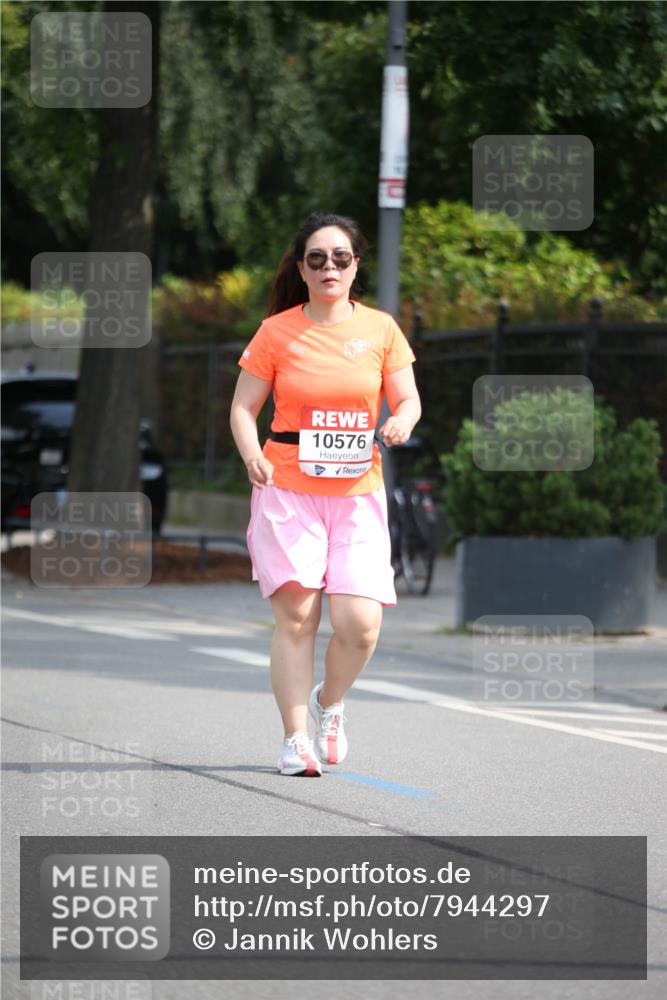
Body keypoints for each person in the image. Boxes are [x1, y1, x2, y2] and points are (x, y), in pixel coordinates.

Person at [230, 212, 421, 776]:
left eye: (340, 258)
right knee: (297, 617)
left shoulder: (381, 329)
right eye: (317, 258)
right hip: (288, 488)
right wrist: (252, 455)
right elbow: (242, 408)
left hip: (357, 492)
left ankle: (329, 702)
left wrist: (401, 421)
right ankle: (295, 741)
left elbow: (408, 399)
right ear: (301, 268)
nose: (329, 267)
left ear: (356, 265)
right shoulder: (276, 332)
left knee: (360, 623)